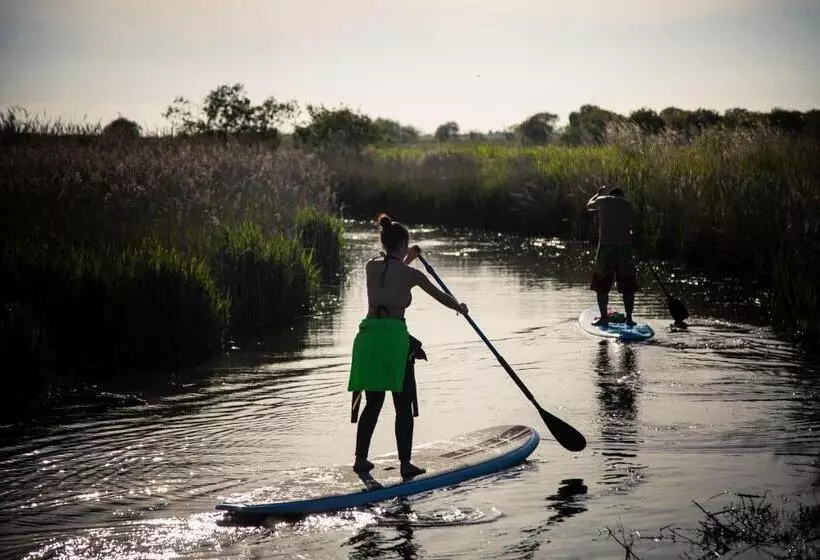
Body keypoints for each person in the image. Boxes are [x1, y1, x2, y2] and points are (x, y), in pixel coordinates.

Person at [347, 214, 469, 479]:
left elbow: (391, 268)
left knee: (373, 403)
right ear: (403, 243)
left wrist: (408, 254)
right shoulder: (412, 275)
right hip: (393, 340)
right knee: (402, 405)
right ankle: (405, 464)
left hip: (368, 338)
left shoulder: (371, 266)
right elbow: (440, 296)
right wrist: (459, 307)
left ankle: (360, 460)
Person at [586, 185, 638, 327]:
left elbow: (589, 206)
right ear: (622, 196)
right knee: (628, 287)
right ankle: (629, 319)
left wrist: (597, 194)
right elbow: (633, 229)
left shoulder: (603, 199)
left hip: (606, 249)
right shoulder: (629, 205)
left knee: (602, 286)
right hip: (624, 249)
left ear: (612, 195)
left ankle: (604, 318)